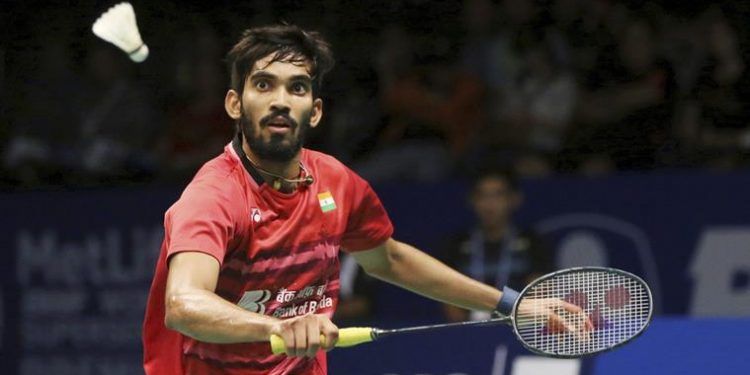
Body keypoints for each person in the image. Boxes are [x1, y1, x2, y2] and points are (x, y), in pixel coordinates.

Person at [142, 24, 582, 375]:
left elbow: (388, 259)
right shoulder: (214, 195)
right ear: (236, 104)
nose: (280, 101)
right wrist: (281, 326)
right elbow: (183, 304)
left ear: (314, 110)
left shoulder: (335, 181)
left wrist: (511, 303)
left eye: (296, 88)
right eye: (263, 85)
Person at [440, 168, 553, 322]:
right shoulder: (455, 244)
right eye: (482, 196)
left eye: (498, 195)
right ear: (472, 200)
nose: (489, 204)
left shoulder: (533, 242)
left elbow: (538, 293)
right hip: (467, 331)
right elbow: (448, 295)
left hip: (518, 327)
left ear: (514, 199)